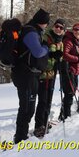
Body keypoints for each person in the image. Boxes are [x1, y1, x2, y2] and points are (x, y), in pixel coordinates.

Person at [11, 8, 50, 144]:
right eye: (47, 23)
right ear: (43, 22)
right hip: (25, 75)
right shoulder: (31, 32)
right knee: (27, 108)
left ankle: (21, 135)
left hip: (27, 74)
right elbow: (38, 52)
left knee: (27, 107)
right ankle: (20, 137)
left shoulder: (30, 30)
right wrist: (46, 47)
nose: (46, 26)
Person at [33, 18, 66, 138]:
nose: (58, 29)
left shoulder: (61, 42)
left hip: (52, 75)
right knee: (42, 100)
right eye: (57, 26)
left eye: (61, 28)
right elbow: (40, 53)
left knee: (48, 100)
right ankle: (38, 126)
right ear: (53, 26)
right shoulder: (46, 37)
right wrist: (51, 55)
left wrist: (60, 62)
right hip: (43, 74)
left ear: (63, 30)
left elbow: (60, 57)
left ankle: (44, 122)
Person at [58, 23, 79, 121]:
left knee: (72, 91)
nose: (78, 32)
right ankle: (66, 115)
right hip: (68, 70)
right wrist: (78, 59)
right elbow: (65, 55)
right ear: (73, 30)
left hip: (75, 71)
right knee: (69, 93)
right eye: (76, 30)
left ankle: (63, 114)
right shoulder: (68, 40)